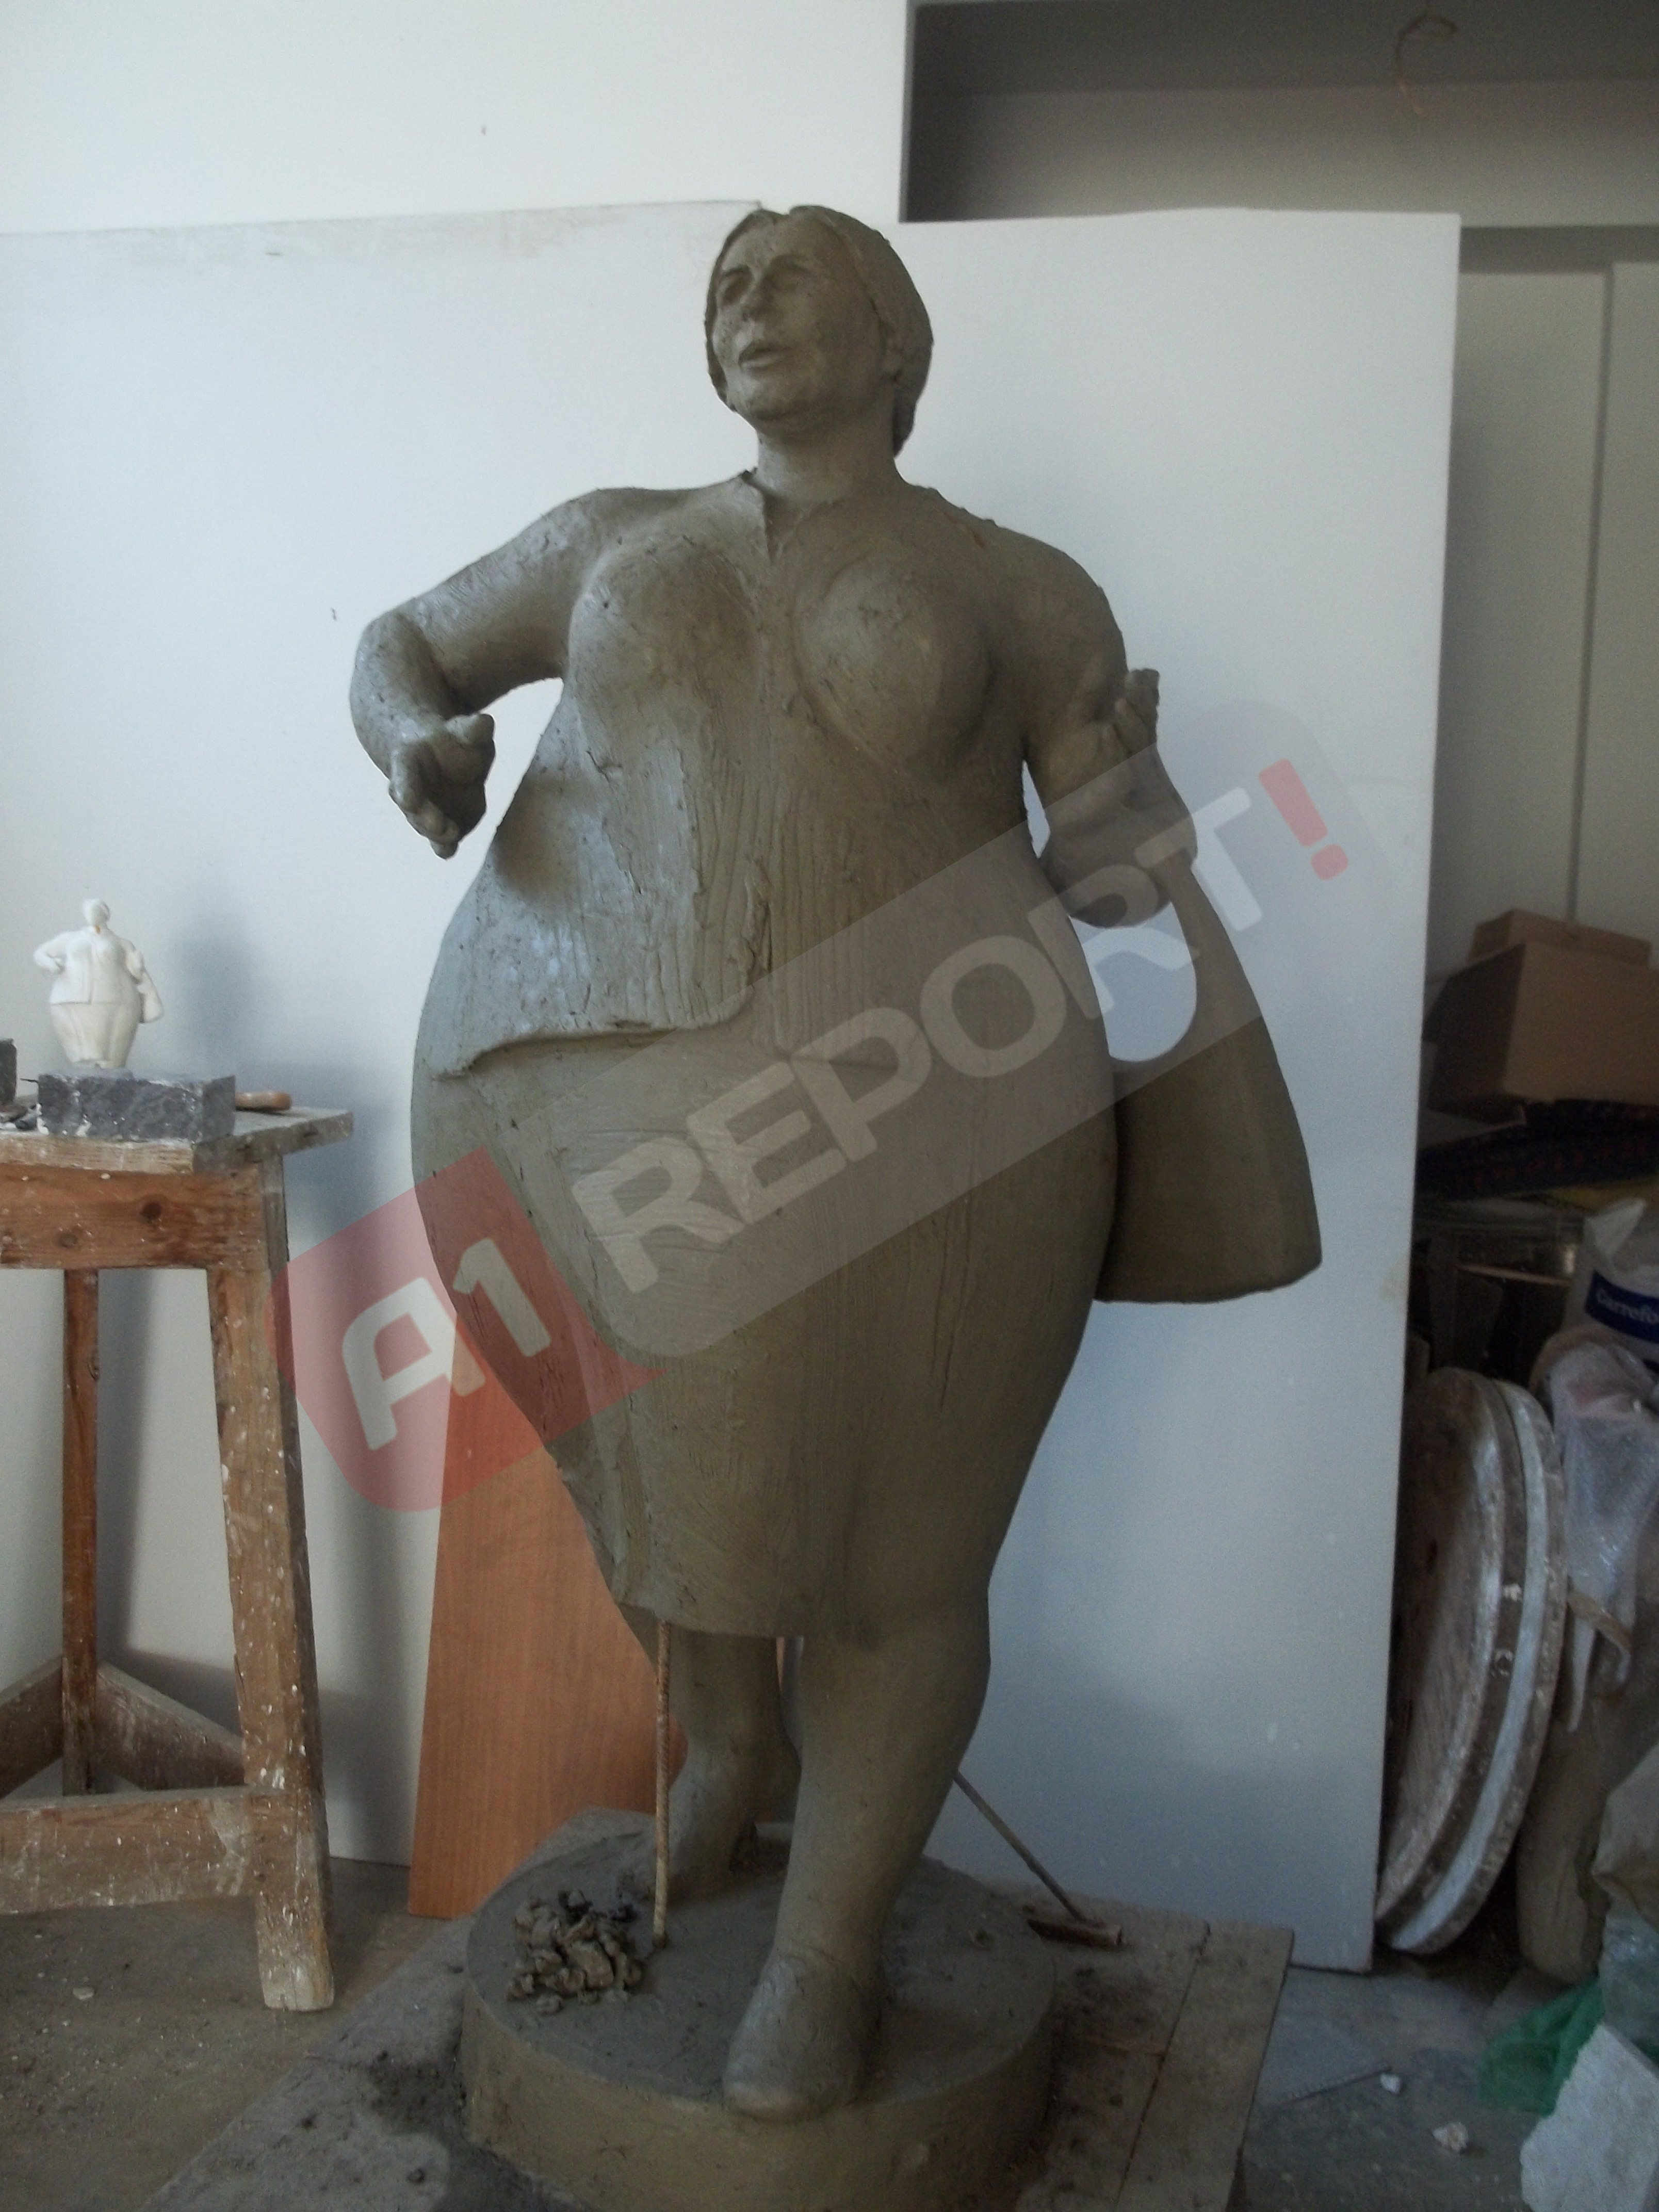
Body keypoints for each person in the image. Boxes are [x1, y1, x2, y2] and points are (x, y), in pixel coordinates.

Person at [352, 206, 1317, 2120]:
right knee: (646, 1494)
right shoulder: (611, 534)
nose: (747, 299)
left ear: (897, 343)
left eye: (795, 274)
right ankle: (731, 1742)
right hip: (553, 1092)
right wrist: (416, 739)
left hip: (933, 1107)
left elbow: (1108, 867)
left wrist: (1137, 806)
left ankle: (827, 1949)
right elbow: (406, 645)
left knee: (905, 1541)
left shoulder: (1020, 585)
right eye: (727, 281)